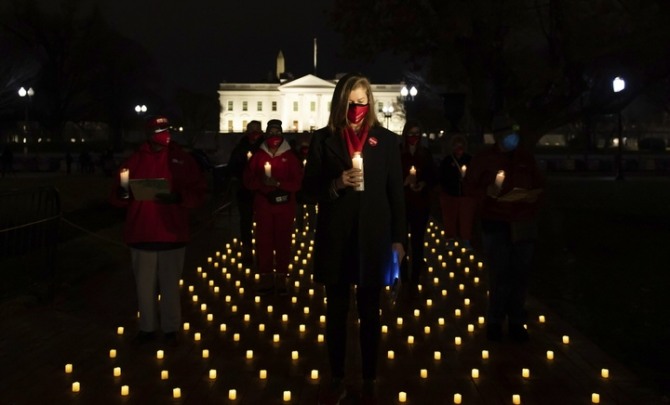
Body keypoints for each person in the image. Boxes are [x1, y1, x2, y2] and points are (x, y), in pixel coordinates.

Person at [301, 72, 406, 404]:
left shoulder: (386, 141)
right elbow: (307, 192)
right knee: (336, 310)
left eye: (362, 102)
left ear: (370, 103)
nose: (357, 108)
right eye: (351, 102)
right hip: (336, 235)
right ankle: (336, 374)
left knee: (370, 309)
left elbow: (396, 195)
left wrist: (399, 239)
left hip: (373, 236)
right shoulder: (324, 140)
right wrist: (337, 183)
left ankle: (370, 375)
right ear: (340, 103)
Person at [109, 115, 207, 345]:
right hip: (142, 231)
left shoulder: (182, 160)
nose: (165, 134)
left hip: (172, 232)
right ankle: (147, 328)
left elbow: (198, 193)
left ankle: (171, 328)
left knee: (170, 285)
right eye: (160, 130)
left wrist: (179, 198)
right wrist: (124, 195)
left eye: (167, 129)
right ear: (149, 134)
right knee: (144, 286)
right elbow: (117, 196)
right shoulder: (133, 162)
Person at [463, 114, 545, 343]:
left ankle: (517, 321)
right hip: (496, 223)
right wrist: (486, 194)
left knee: (520, 275)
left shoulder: (525, 158)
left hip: (523, 223)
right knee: (500, 275)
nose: (513, 136)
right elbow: (469, 187)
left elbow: (540, 185)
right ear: (499, 135)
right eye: (509, 132)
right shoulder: (484, 159)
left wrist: (533, 197)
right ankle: (495, 321)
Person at [243, 119, 303, 296]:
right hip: (264, 205)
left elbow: (298, 182)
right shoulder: (258, 156)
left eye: (277, 132)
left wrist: (278, 183)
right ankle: (266, 276)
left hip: (284, 205)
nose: (274, 136)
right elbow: (247, 179)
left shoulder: (291, 157)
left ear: (282, 134)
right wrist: (262, 183)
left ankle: (282, 277)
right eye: (271, 133)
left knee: (283, 241)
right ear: (266, 134)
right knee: (264, 241)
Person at [399, 121, 437, 291]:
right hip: (402, 203)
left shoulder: (425, 154)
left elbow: (432, 176)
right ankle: (403, 274)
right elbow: (390, 177)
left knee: (418, 240)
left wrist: (422, 184)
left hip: (420, 203)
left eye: (417, 134)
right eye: (411, 133)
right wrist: (404, 182)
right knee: (401, 241)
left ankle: (415, 276)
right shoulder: (398, 153)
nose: (413, 137)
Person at [227, 120, 264, 266]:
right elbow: (232, 166)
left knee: (262, 222)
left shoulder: (265, 147)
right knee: (246, 221)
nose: (254, 132)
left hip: (262, 191)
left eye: (257, 129)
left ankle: (263, 250)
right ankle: (247, 249)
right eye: (252, 129)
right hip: (245, 190)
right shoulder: (240, 147)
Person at [438, 133, 476, 249]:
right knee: (449, 217)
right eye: (456, 145)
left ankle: (466, 239)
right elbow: (442, 176)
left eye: (461, 145)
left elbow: (475, 175)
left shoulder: (469, 159)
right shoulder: (447, 160)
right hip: (450, 194)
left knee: (466, 218)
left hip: (466, 195)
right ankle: (450, 239)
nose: (459, 148)